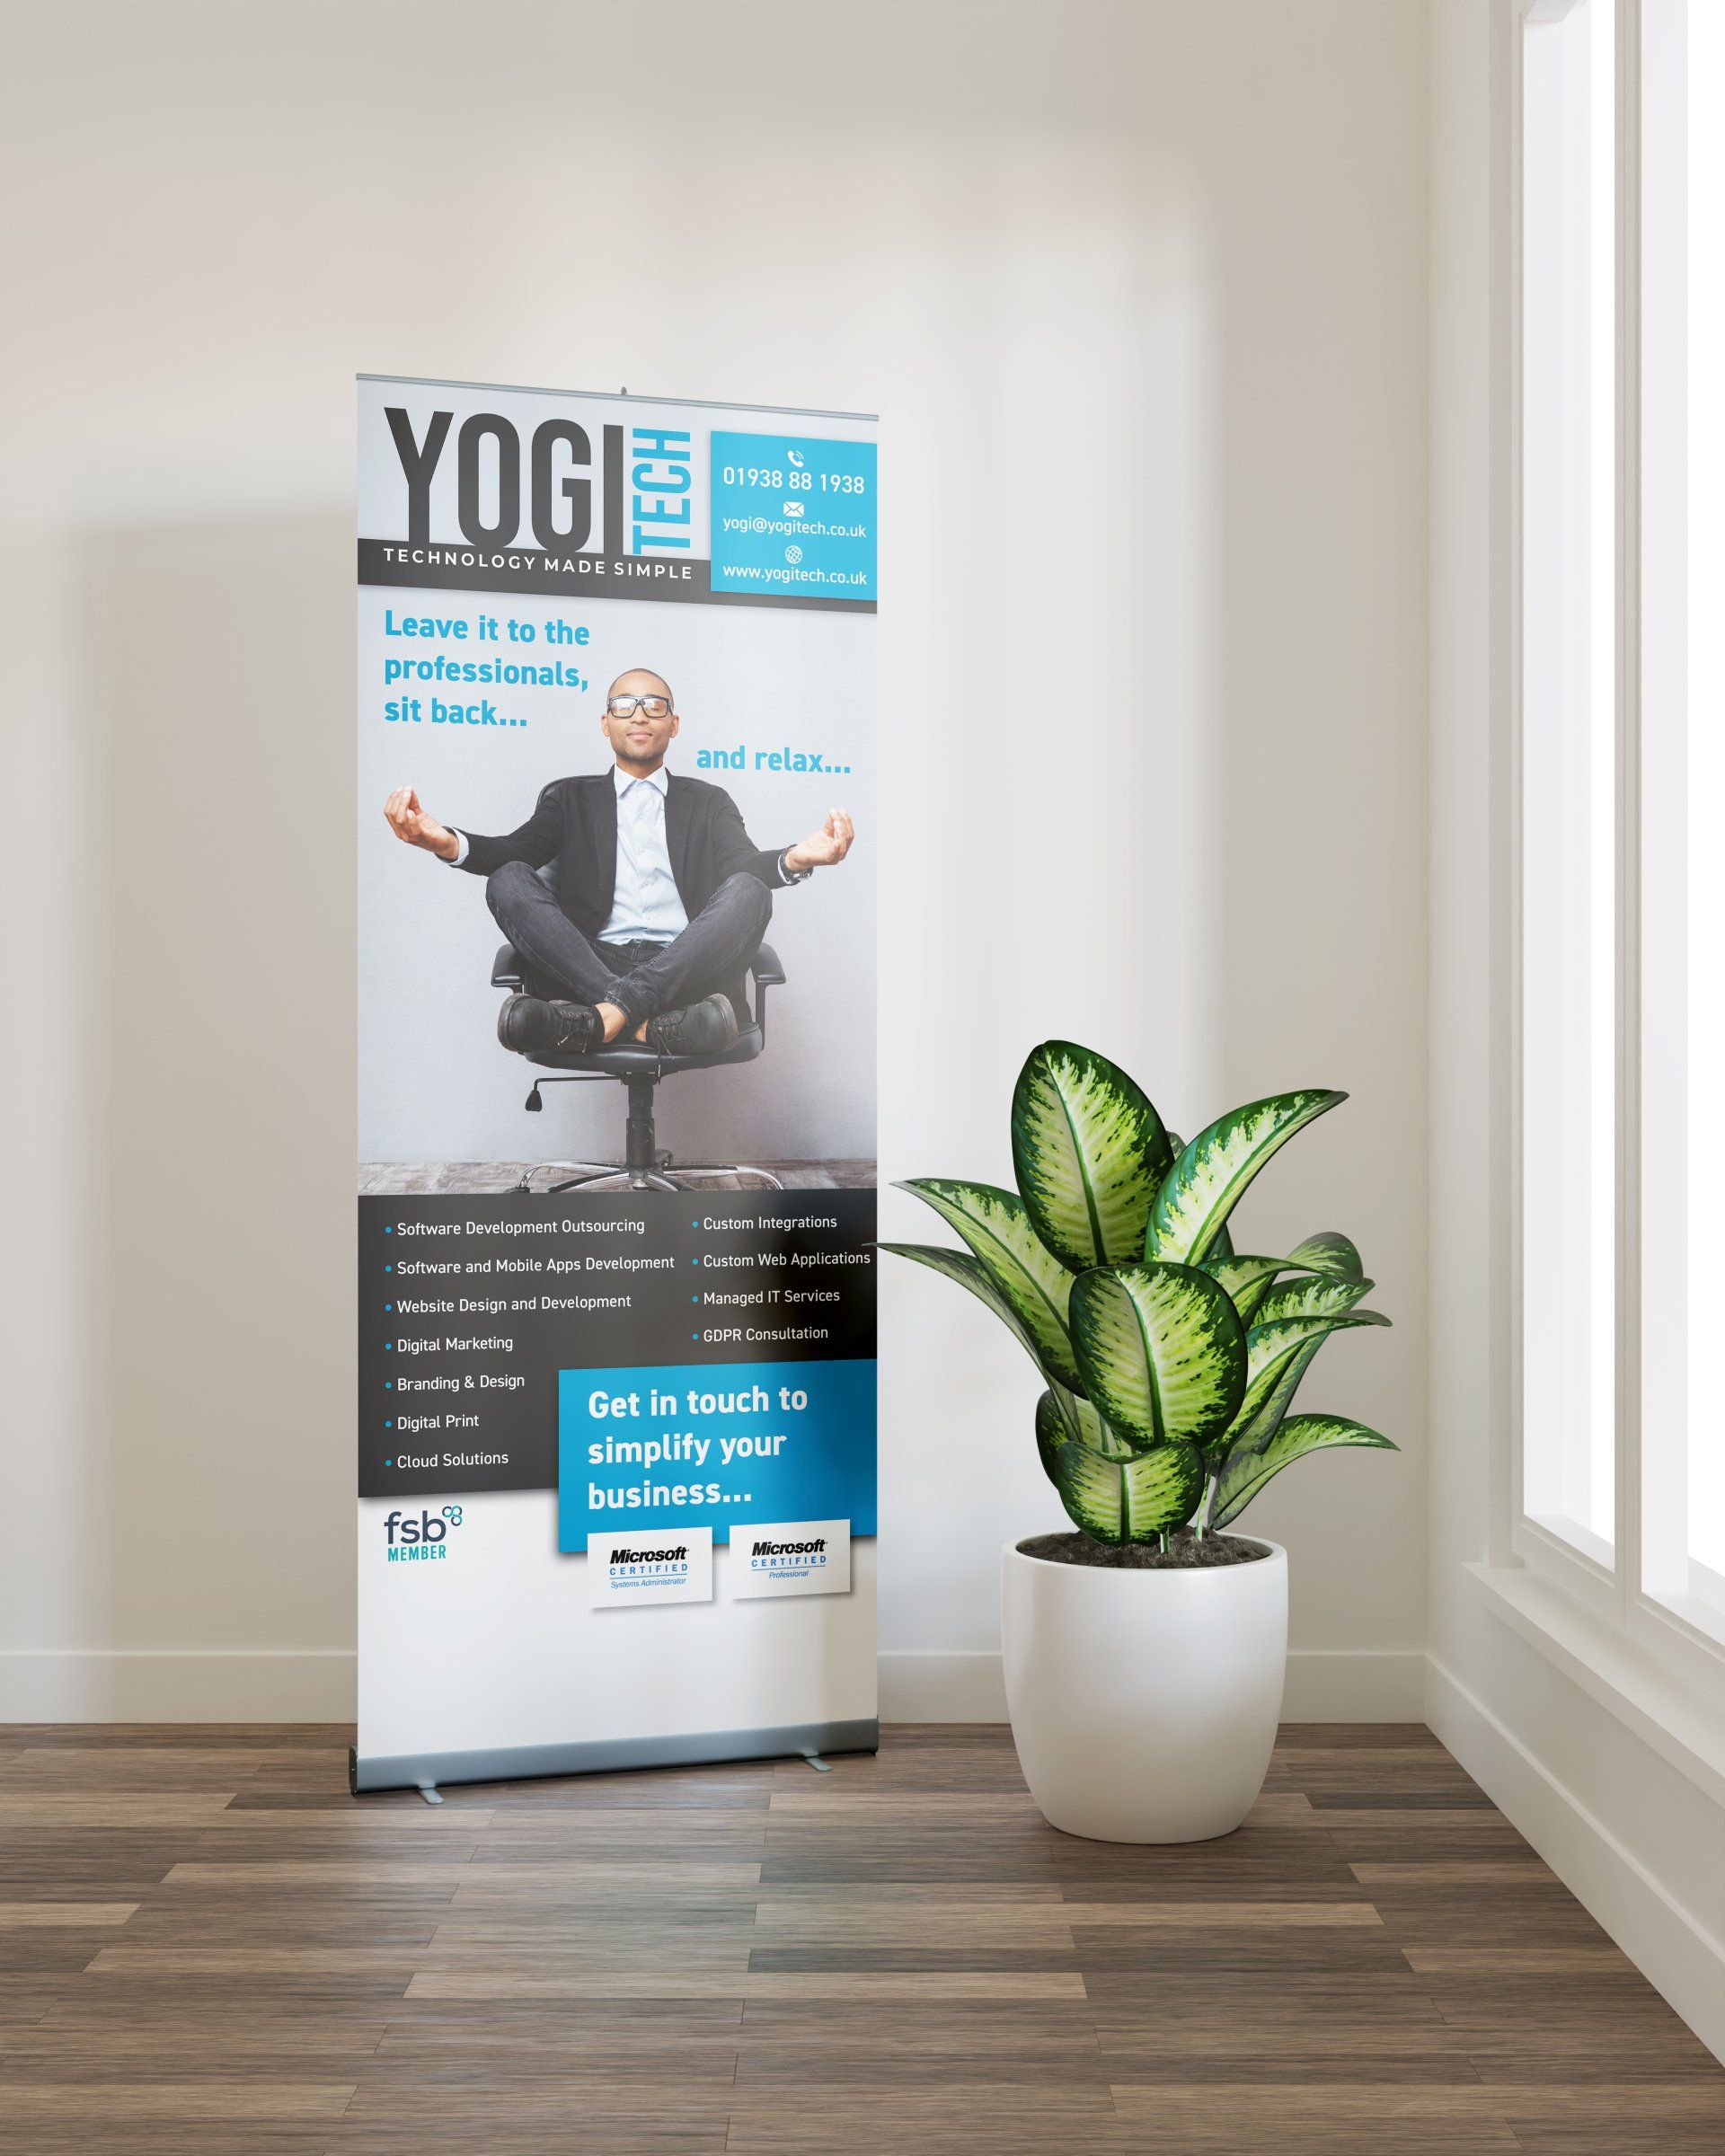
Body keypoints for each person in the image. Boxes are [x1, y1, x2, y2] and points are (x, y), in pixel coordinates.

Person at [383, 667, 854, 1056]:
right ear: (605, 723)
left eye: (655, 705)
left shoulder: (709, 801)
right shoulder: (569, 797)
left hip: (683, 964)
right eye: (623, 705)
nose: (640, 715)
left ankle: (596, 1021)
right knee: (508, 879)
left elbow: (743, 867)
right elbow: (513, 854)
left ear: (674, 723)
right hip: (591, 961)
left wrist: (796, 858)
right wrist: (443, 841)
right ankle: (650, 1024)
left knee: (750, 891)